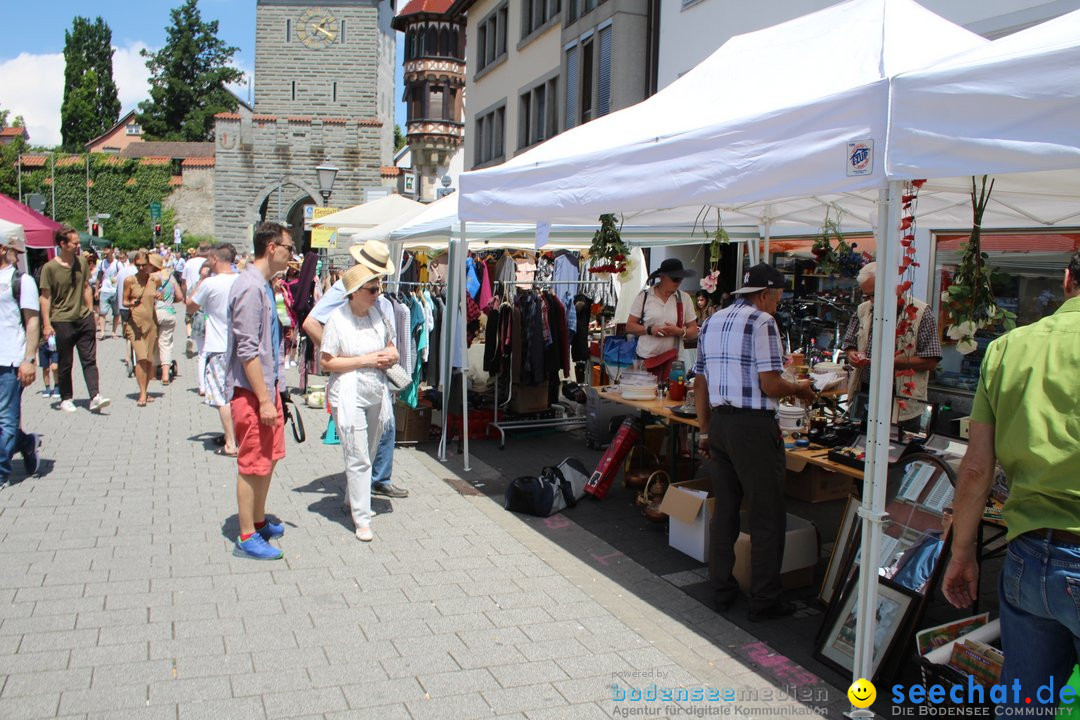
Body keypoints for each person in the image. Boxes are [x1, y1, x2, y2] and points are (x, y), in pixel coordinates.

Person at [943, 252, 1080, 712]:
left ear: (1066, 280)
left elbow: (977, 468)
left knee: (1025, 705)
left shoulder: (1009, 346)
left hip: (1027, 554)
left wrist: (963, 552)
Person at [693, 263, 816, 620]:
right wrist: (800, 389)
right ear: (764, 295)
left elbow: (700, 381)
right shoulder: (763, 322)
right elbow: (771, 384)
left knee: (727, 510)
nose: (777, 306)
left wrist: (704, 430)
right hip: (753, 427)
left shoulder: (712, 319)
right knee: (766, 515)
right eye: (776, 299)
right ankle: (764, 599)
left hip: (720, 426)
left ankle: (721, 587)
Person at [302, 240, 409, 501]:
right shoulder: (345, 287)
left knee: (384, 427)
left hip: (375, 376)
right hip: (354, 379)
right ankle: (366, 490)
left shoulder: (374, 292)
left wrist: (388, 353)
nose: (379, 284)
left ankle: (375, 480)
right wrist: (347, 357)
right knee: (362, 439)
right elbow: (311, 323)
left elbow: (388, 339)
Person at [320, 261, 399, 542]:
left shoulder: (378, 314)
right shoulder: (337, 320)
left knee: (371, 447)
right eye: (372, 289)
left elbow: (393, 346)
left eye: (378, 288)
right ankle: (362, 519)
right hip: (349, 392)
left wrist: (392, 356)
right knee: (359, 455)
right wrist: (365, 360)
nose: (377, 294)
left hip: (377, 391)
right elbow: (327, 361)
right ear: (354, 291)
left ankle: (352, 499)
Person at [226, 223, 292, 560]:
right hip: (254, 394)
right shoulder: (251, 288)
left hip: (267, 390)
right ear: (271, 247)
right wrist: (265, 400)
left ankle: (259, 520)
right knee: (252, 463)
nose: (291, 255)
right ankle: (246, 535)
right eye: (289, 248)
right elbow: (247, 350)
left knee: (267, 459)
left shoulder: (264, 286)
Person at [842, 261, 941, 425]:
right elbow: (849, 343)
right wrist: (852, 355)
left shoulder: (921, 312)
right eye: (867, 296)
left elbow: (931, 361)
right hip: (866, 392)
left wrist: (895, 363)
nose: (871, 301)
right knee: (861, 444)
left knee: (897, 447)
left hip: (902, 397)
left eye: (874, 295)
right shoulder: (863, 309)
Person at [39, 226, 110, 414]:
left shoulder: (81, 262)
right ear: (63, 244)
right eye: (75, 243)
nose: (79, 245)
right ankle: (66, 398)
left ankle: (95, 396)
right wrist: (46, 324)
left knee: (89, 359)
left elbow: (86, 287)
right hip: (62, 320)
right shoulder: (50, 268)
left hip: (83, 318)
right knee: (65, 362)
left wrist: (89, 311)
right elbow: (45, 297)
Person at [188, 243, 239, 456]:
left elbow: (190, 306)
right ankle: (240, 435)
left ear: (216, 260)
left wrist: (200, 280)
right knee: (238, 393)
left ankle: (231, 442)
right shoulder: (242, 280)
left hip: (218, 346)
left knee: (222, 396)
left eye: (209, 259)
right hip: (240, 346)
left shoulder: (210, 283)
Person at [0, 236, 41, 490]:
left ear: (3, 249)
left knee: (5, 418)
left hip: (11, 358)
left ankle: (2, 472)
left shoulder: (21, 281)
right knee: (6, 422)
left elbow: (32, 321)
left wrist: (29, 359)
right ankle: (25, 443)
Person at [625, 258, 700, 380]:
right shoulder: (644, 296)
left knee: (673, 396)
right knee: (646, 396)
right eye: (675, 278)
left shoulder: (684, 298)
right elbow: (629, 326)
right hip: (647, 358)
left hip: (674, 361)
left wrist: (679, 331)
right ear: (662, 277)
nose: (678, 282)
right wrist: (650, 330)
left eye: (680, 278)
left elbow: (694, 332)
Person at [123, 250, 161, 407]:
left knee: (148, 360)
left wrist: (159, 295)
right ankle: (142, 394)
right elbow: (124, 301)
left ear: (149, 265)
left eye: (143, 265)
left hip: (151, 323)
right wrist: (132, 303)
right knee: (141, 358)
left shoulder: (154, 280)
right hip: (135, 324)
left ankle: (145, 390)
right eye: (137, 265)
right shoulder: (129, 281)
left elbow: (160, 294)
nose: (140, 268)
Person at [152, 253, 184, 386]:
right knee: (165, 343)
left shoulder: (152, 277)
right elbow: (180, 296)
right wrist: (169, 301)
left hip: (155, 312)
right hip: (169, 313)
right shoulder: (170, 277)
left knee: (154, 343)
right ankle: (165, 375)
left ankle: (153, 373)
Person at [183, 243, 210, 355]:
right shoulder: (209, 263)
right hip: (205, 291)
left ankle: (189, 336)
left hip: (193, 291)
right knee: (204, 315)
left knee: (189, 319)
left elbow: (183, 281)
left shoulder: (189, 262)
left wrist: (185, 297)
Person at [95, 245, 121, 339]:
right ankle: (102, 332)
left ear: (112, 251)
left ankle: (114, 332)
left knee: (116, 313)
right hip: (105, 290)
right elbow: (99, 277)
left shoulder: (117, 263)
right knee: (102, 312)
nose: (105, 252)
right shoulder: (102, 263)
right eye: (104, 249)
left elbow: (121, 277)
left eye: (107, 249)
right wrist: (96, 290)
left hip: (115, 291)